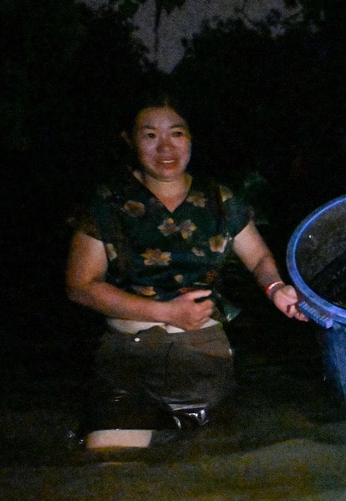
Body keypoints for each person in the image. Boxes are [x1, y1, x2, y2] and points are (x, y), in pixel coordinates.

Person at [66, 89, 308, 450]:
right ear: (130, 140)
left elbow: (258, 259)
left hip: (203, 352)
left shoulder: (221, 199)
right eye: (150, 135)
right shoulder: (107, 200)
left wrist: (276, 288)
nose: (165, 148)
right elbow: (81, 285)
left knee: (201, 474)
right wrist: (165, 312)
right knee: (109, 464)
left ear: (190, 138)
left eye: (176, 133)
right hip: (128, 353)